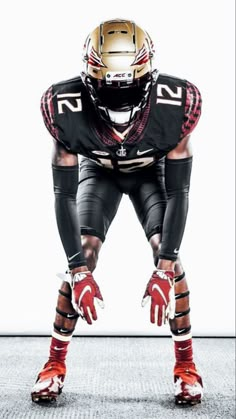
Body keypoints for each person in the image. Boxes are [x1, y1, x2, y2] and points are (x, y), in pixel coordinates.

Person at [31, 18, 203, 405]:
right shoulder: (64, 105)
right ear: (90, 76)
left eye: (127, 84)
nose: (118, 95)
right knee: (84, 252)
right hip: (100, 172)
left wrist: (164, 266)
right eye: (108, 84)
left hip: (151, 172)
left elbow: (179, 190)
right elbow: (64, 195)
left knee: (167, 254)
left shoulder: (178, 101)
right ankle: (53, 365)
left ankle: (187, 367)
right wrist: (77, 269)